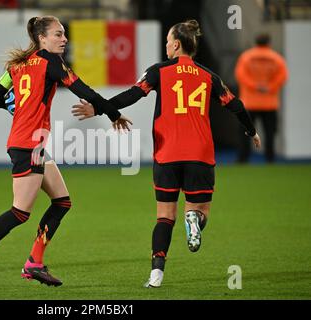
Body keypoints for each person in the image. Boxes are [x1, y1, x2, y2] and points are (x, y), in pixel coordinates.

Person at [72, 20, 261, 288]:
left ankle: (156, 274)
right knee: (200, 210)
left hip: (167, 153)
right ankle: (194, 219)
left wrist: (99, 108)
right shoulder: (209, 76)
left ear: (175, 44)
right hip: (200, 153)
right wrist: (251, 131)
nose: (166, 46)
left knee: (164, 217)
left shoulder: (158, 72)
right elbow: (236, 105)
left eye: (168, 41)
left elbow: (132, 95)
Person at [0, 15, 132, 291]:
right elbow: (81, 89)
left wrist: (15, 108)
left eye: (64, 34)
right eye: (59, 34)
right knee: (19, 212)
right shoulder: (51, 62)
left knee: (62, 202)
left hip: (30, 143)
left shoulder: (16, 65)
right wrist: (113, 113)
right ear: (42, 38)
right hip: (28, 145)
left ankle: (34, 263)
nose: (64, 39)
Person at [235, 33, 288, 163]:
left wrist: (255, 86)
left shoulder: (246, 57)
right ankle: (270, 159)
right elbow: (283, 76)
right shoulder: (276, 58)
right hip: (269, 103)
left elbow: (240, 75)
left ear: (256, 42)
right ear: (269, 43)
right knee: (270, 133)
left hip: (249, 103)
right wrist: (269, 87)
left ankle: (243, 159)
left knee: (245, 133)